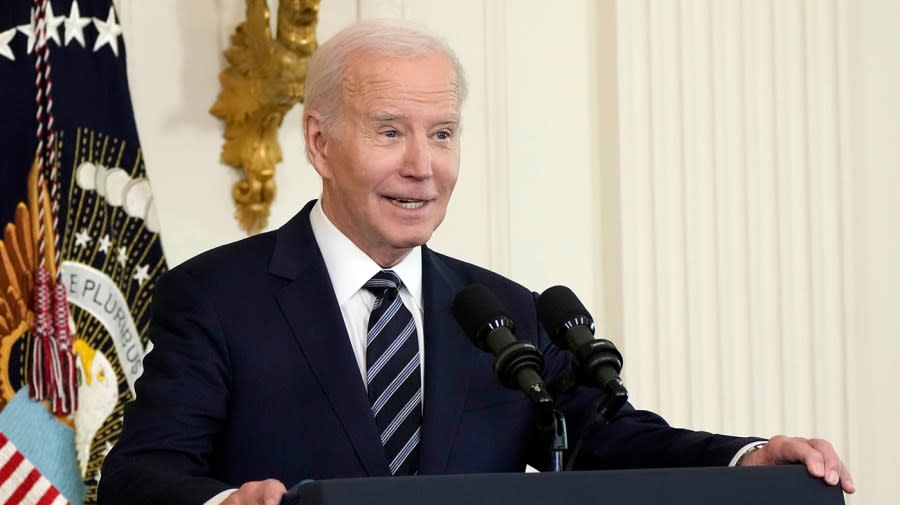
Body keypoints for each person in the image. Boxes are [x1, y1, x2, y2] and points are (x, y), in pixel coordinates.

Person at [98, 19, 854, 505]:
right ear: (320, 143)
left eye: (444, 134)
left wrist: (747, 458)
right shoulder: (216, 295)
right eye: (391, 131)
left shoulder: (501, 313)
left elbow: (605, 438)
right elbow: (140, 473)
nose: (422, 166)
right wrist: (224, 504)